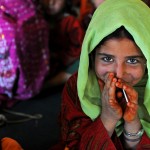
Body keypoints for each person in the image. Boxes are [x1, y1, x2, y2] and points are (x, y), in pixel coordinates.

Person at [56, 0, 150, 149]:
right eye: (107, 58)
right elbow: (74, 145)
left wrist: (132, 122)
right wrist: (108, 119)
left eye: (132, 60)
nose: (119, 73)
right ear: (92, 57)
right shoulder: (79, 88)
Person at [40, 0, 85, 88]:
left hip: (66, 61)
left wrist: (62, 58)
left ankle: (51, 83)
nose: (51, 2)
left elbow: (79, 47)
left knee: (82, 64)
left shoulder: (70, 21)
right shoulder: (38, 20)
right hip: (49, 62)